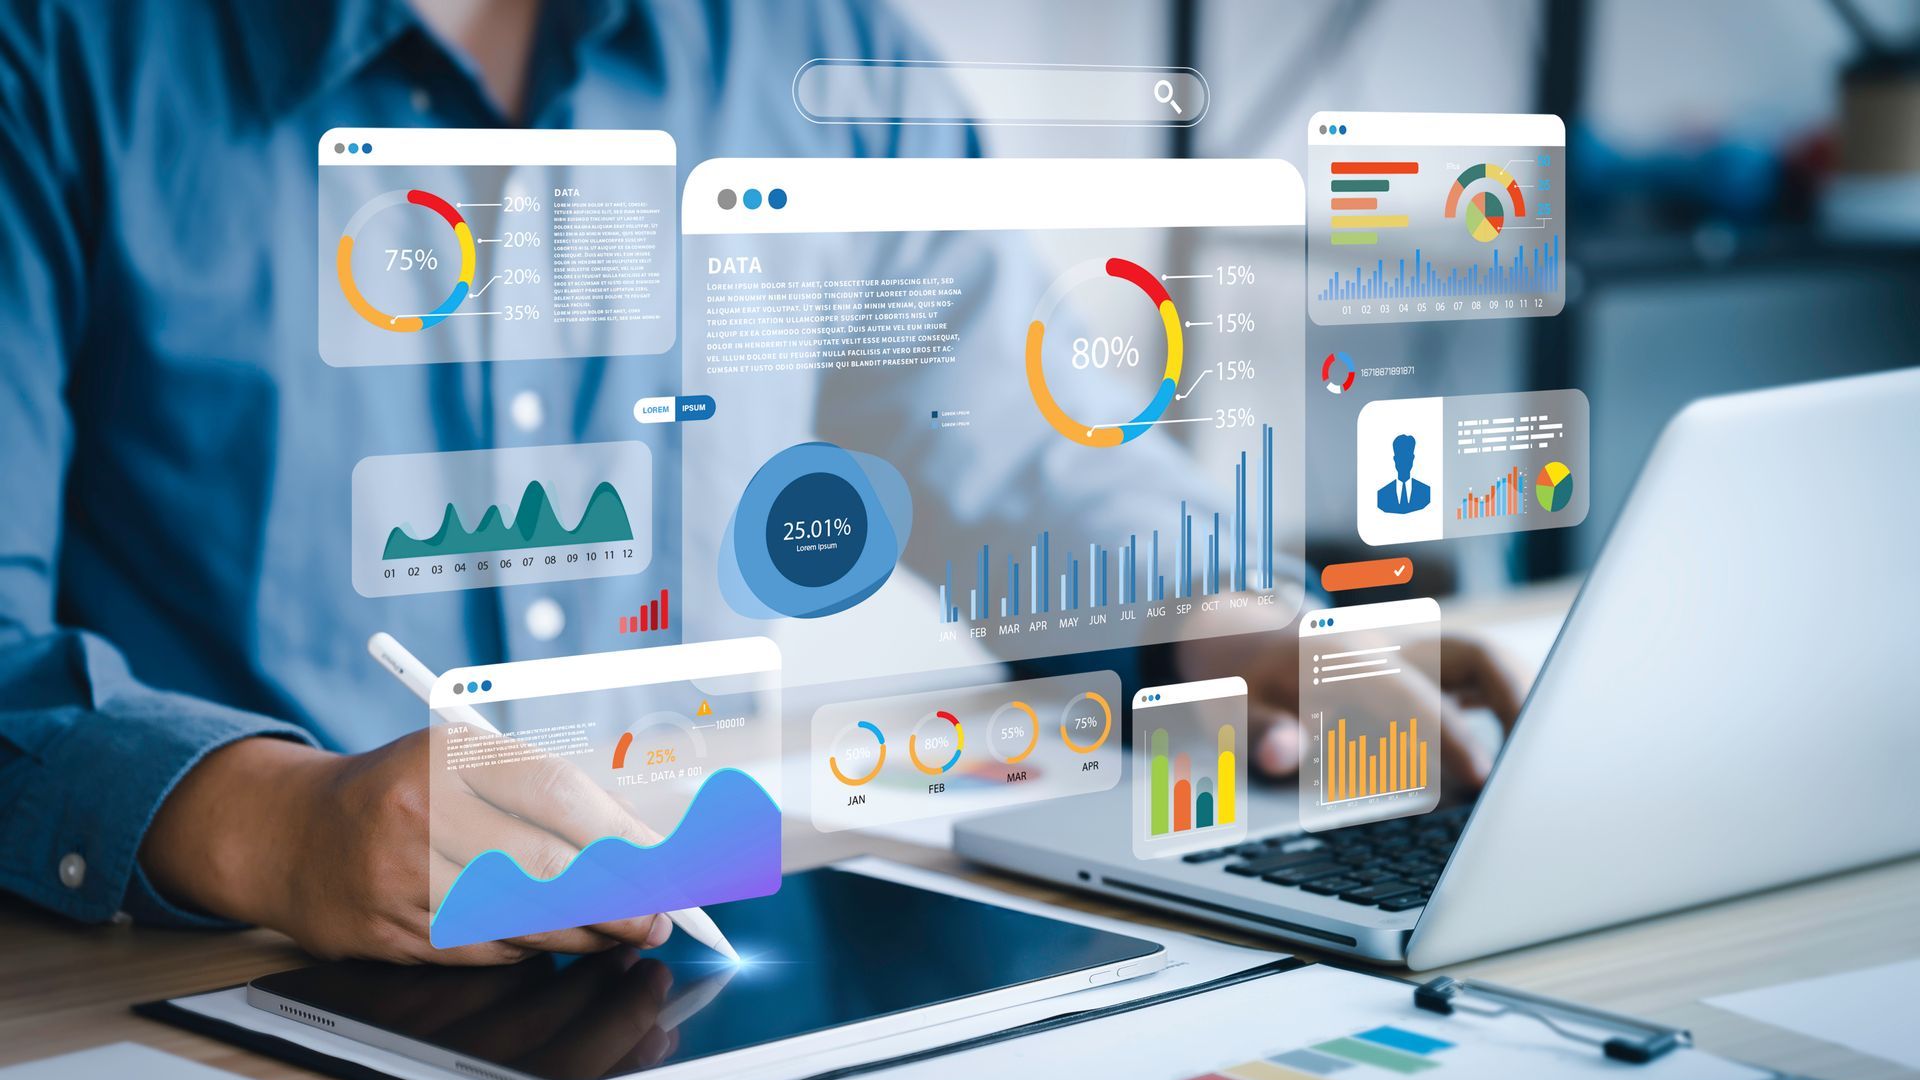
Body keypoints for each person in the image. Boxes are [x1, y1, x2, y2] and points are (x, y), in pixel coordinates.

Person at [0, 0, 1522, 964]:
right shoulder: (54, 55)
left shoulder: (820, 46)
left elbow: (1004, 440)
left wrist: (1238, 631)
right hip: (191, 978)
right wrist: (280, 827)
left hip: (692, 960)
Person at [1377, 433, 1433, 514]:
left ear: (1412, 459)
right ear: (1395, 459)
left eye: (1406, 457)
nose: (1403, 461)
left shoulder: (1425, 492)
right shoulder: (1382, 495)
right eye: (1400, 457)